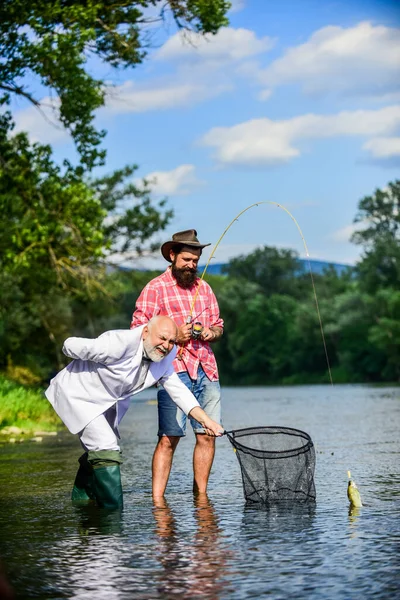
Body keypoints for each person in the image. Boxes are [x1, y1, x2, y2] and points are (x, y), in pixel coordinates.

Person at [45, 315, 223, 510]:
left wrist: (207, 421)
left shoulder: (164, 358)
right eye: (162, 338)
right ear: (145, 332)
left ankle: (83, 502)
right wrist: (74, 351)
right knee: (106, 447)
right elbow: (70, 345)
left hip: (106, 402)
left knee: (97, 451)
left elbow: (180, 392)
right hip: (79, 396)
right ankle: (112, 516)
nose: (166, 345)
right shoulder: (117, 344)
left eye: (172, 341)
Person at [130, 229, 224, 498]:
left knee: (207, 435)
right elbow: (138, 329)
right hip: (172, 372)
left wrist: (210, 333)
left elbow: (218, 327)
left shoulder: (204, 289)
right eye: (186, 260)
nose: (191, 265)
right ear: (172, 256)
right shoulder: (154, 288)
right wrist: (174, 336)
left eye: (195, 261)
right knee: (169, 438)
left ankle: (201, 497)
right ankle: (158, 500)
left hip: (207, 369)